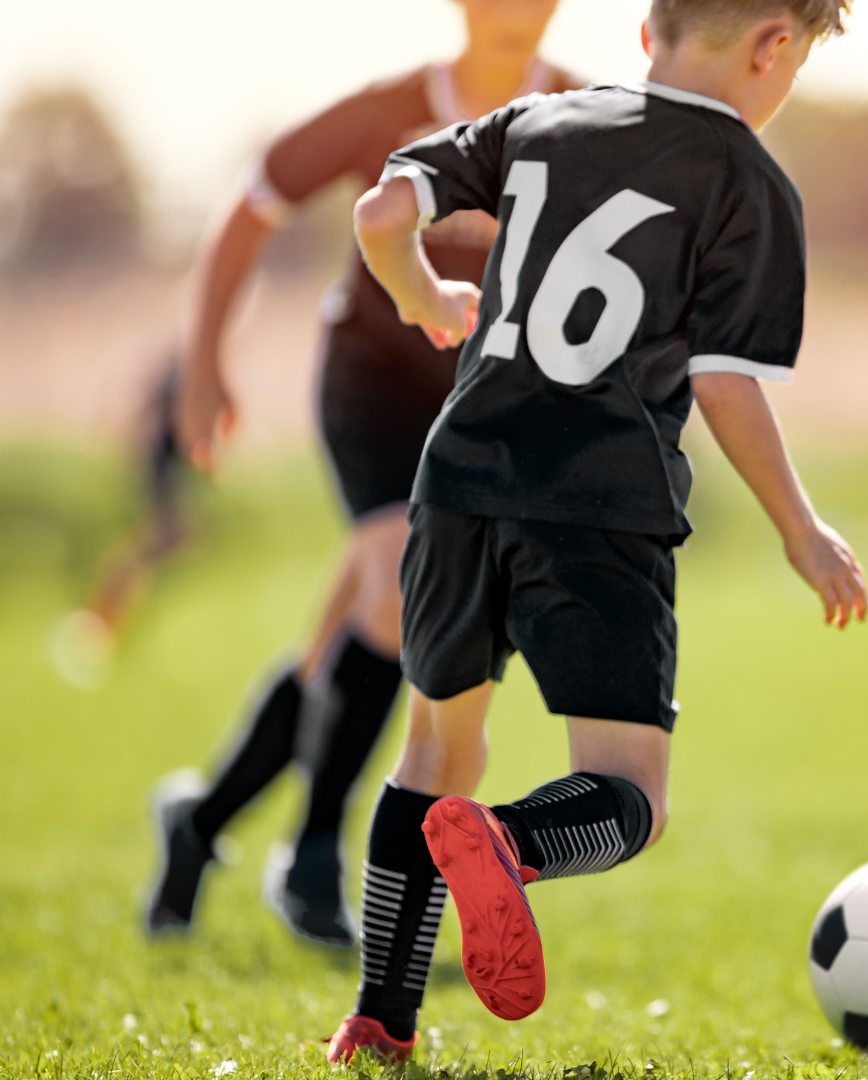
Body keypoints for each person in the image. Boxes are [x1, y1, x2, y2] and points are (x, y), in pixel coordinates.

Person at [325, 0, 868, 1062]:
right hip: (597, 502)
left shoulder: (541, 118)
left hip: (458, 481)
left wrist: (425, 294)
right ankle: (514, 842)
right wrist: (800, 528)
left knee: (435, 752)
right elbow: (722, 383)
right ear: (775, 47)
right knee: (630, 793)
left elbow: (384, 210)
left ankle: (380, 1023)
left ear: (646, 34)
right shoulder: (750, 183)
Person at [144, 0, 579, 947]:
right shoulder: (386, 112)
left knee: (343, 642)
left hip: (483, 406)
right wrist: (207, 363)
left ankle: (201, 820)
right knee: (393, 602)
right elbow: (250, 206)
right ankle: (309, 857)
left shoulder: (583, 115)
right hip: (372, 385)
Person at [51, 355, 194, 690]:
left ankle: (104, 620)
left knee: (152, 552)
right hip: (161, 476)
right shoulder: (178, 381)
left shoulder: (177, 382)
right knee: (148, 551)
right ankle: (98, 622)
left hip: (164, 473)